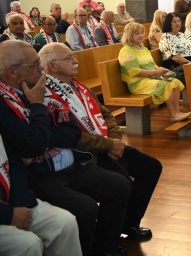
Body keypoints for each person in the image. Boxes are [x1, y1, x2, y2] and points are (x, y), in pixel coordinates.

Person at [0, 41, 130, 256]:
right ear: (12, 72)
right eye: (34, 64)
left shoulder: (43, 88)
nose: (40, 68)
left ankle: (105, 249)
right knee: (85, 209)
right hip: (41, 174)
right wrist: (38, 108)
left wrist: (42, 137)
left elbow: (71, 131)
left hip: (68, 161)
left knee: (119, 185)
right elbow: (33, 145)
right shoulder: (7, 102)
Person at [39, 42, 163, 241]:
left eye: (74, 56)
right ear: (52, 66)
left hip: (106, 144)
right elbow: (73, 137)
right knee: (121, 184)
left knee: (151, 167)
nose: (76, 60)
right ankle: (107, 239)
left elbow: (106, 114)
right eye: (69, 58)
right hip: (86, 154)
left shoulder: (79, 86)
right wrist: (109, 145)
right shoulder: (47, 95)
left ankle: (129, 224)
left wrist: (114, 140)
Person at [0, 132, 82, 256]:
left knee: (65, 222)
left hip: (13, 201)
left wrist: (19, 203)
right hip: (5, 213)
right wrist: (9, 215)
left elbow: (14, 165)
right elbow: (35, 142)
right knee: (28, 244)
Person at [118, 23, 191, 122]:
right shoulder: (126, 51)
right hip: (137, 82)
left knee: (175, 82)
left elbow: (152, 64)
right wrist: (155, 72)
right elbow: (134, 72)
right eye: (136, 33)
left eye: (142, 32)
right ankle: (173, 115)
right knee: (166, 85)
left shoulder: (143, 49)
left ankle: (178, 112)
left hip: (150, 78)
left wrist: (160, 69)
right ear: (129, 35)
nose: (140, 35)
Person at [158, 13, 191, 84]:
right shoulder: (166, 36)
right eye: (174, 22)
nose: (178, 23)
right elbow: (175, 58)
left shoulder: (182, 35)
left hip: (189, 64)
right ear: (169, 24)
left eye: (179, 21)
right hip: (177, 68)